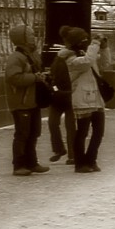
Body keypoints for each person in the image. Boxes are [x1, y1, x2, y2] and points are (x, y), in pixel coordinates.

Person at [54, 27, 111, 172]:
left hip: (95, 97)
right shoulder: (69, 58)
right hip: (82, 98)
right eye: (84, 40)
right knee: (82, 132)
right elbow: (87, 62)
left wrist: (104, 48)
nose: (86, 42)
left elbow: (104, 64)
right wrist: (95, 44)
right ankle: (80, 163)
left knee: (99, 131)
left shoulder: (86, 53)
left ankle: (91, 159)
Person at [5, 26, 45, 175]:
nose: (33, 37)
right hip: (21, 101)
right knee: (22, 133)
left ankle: (32, 162)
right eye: (30, 35)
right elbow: (13, 77)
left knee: (34, 132)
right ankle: (19, 164)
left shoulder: (30, 55)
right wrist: (35, 78)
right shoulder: (16, 57)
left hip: (32, 100)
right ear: (23, 38)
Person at [42, 35, 72, 163]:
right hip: (58, 95)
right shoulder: (59, 57)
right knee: (53, 123)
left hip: (70, 95)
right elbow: (53, 74)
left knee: (70, 126)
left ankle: (72, 154)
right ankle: (59, 149)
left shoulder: (76, 56)